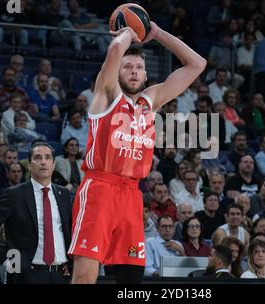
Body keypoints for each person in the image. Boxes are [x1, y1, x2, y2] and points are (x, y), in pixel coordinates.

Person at [67, 19, 206, 284]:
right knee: (85, 277)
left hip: (131, 194)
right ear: (117, 72)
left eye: (139, 68)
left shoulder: (150, 101)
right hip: (100, 188)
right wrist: (128, 31)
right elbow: (114, 52)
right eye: (127, 67)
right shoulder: (105, 96)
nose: (133, 72)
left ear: (145, 75)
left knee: (131, 278)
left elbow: (197, 64)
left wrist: (159, 33)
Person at [0, 142, 72, 284]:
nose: (43, 162)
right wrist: (8, 259)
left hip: (60, 274)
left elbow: (70, 231)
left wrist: (71, 262)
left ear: (53, 165)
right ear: (29, 165)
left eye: (47, 158)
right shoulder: (14, 194)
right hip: (25, 274)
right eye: (37, 157)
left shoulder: (63, 194)